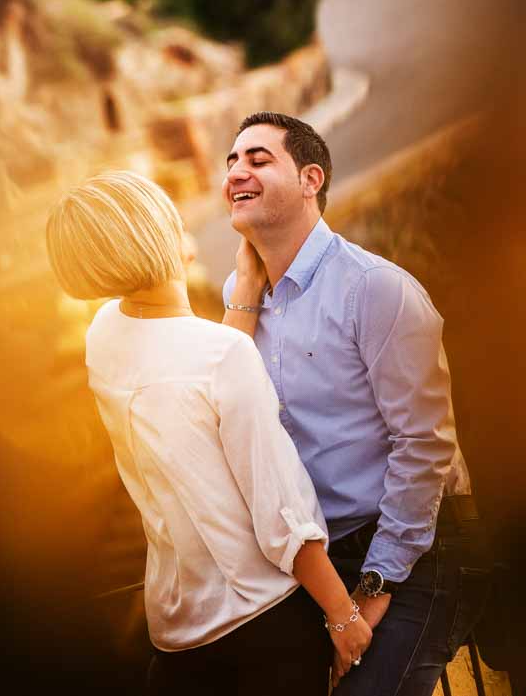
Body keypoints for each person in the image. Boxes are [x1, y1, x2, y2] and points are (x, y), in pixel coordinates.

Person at [45, 170, 372, 695]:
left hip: (178, 637)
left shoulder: (103, 336)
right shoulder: (222, 357)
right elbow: (280, 516)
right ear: (157, 234)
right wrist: (342, 615)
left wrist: (242, 296)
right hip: (266, 627)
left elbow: (191, 378)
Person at [219, 112, 486, 696]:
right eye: (232, 161)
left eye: (258, 159)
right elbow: (225, 415)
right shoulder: (239, 300)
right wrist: (242, 298)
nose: (237, 171)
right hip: (316, 562)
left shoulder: (375, 288)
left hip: (412, 549)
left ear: (312, 178)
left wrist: (373, 585)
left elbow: (424, 444)